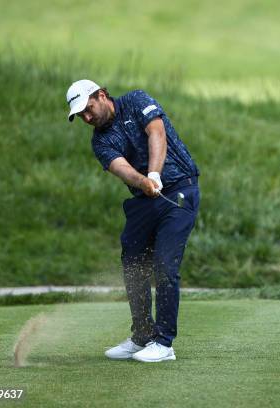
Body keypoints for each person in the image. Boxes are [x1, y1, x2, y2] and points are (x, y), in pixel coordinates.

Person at [66, 79, 200, 362]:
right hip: (145, 198)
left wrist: (154, 174)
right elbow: (121, 168)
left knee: (164, 262)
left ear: (101, 95)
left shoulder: (136, 100)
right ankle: (142, 336)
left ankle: (164, 344)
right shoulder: (100, 140)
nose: (87, 118)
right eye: (81, 116)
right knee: (133, 261)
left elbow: (157, 133)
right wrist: (143, 182)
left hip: (180, 191)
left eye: (88, 109)